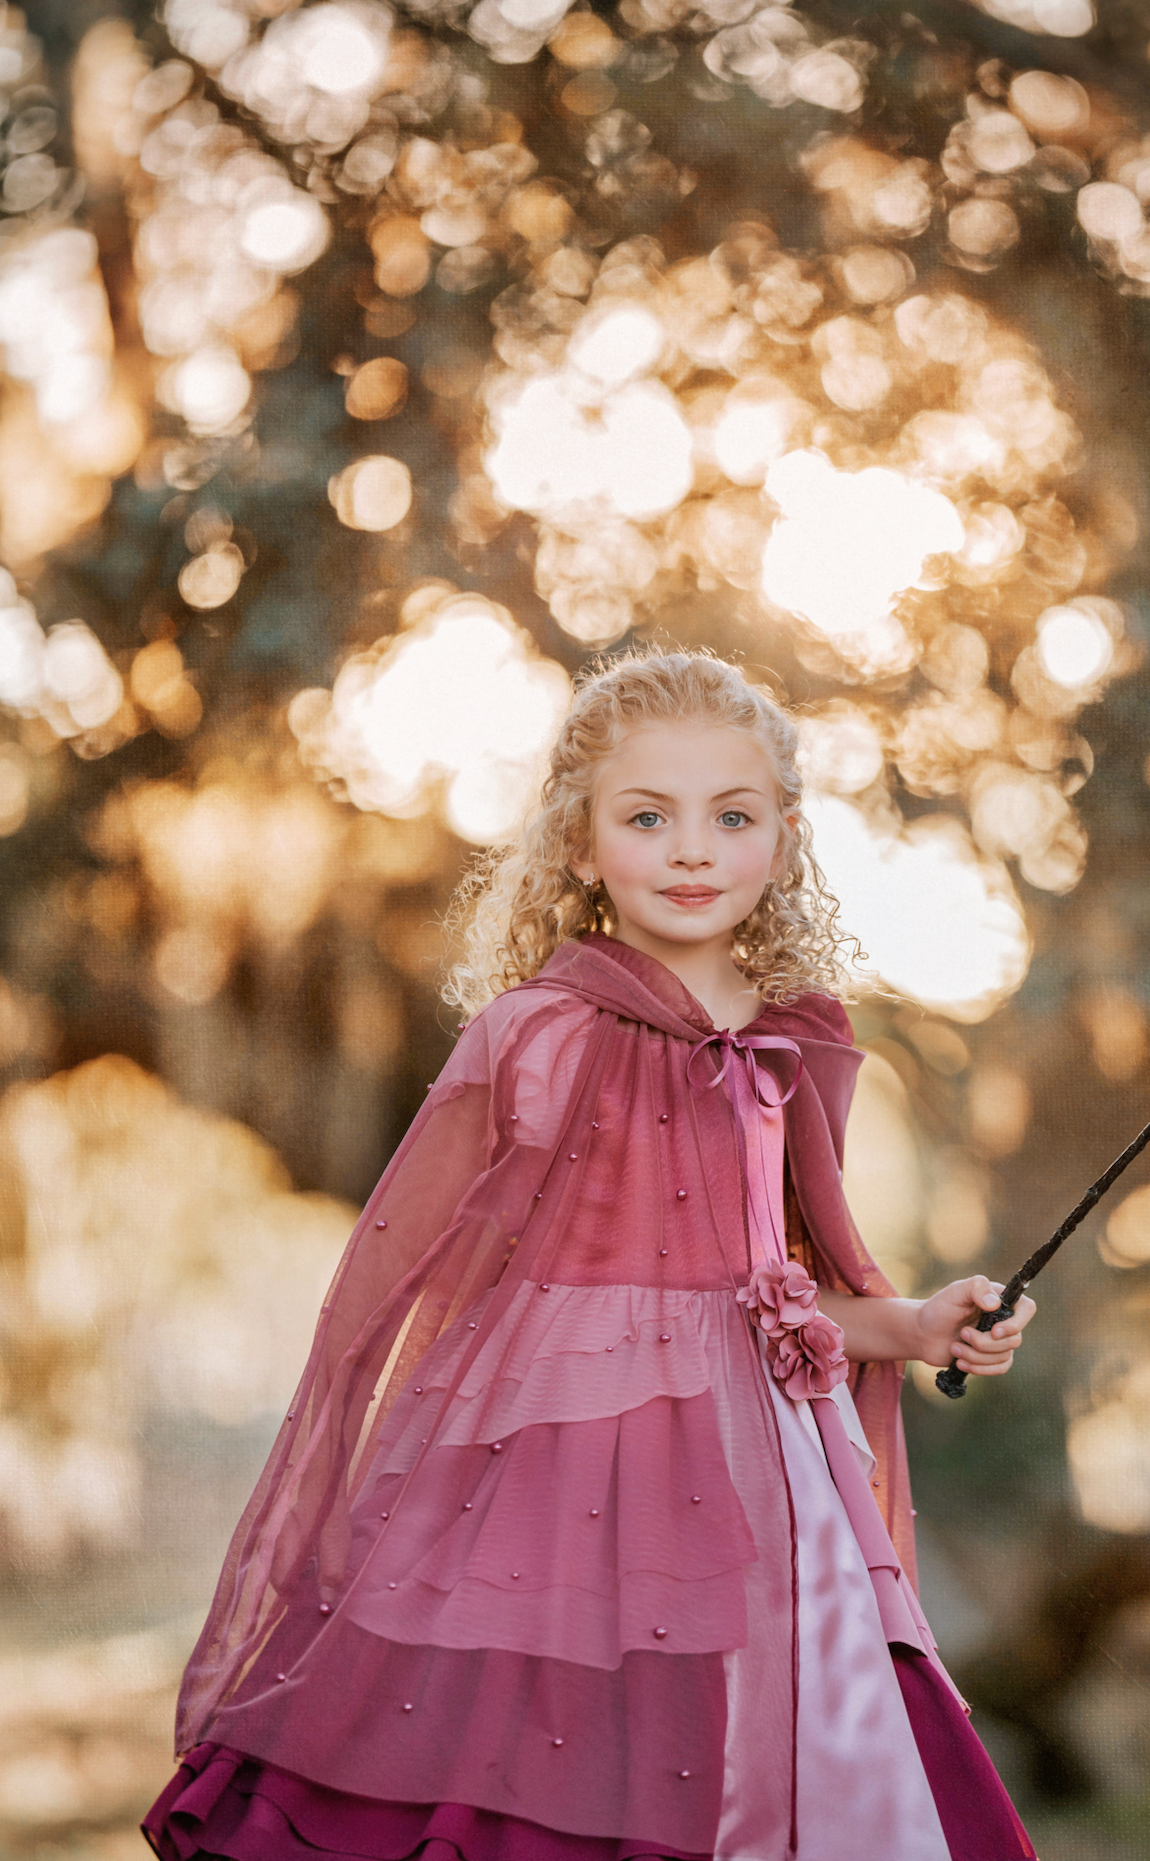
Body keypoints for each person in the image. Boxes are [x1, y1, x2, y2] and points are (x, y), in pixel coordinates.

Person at [144, 650, 1038, 1861]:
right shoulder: (536, 1035)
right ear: (577, 843)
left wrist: (924, 1322)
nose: (691, 850)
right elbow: (433, 1276)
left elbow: (781, 1294)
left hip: (769, 1476)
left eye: (732, 817)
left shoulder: (790, 1043)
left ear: (782, 839)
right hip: (560, 1473)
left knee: (809, 1757)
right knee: (544, 1770)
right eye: (646, 817)